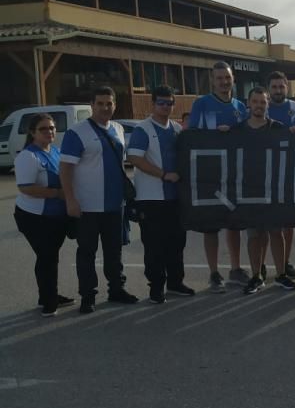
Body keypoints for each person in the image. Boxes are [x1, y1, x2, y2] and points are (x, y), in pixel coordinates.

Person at [60, 86, 137, 314]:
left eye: (109, 103)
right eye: (100, 103)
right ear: (92, 105)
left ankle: (116, 289)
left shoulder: (119, 129)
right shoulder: (77, 132)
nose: (105, 107)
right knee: (87, 253)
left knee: (114, 252)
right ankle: (88, 296)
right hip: (87, 206)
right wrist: (70, 200)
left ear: (115, 105)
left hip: (115, 205)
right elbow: (65, 169)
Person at [126, 86, 194, 305]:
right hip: (151, 199)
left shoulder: (176, 128)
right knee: (154, 245)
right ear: (153, 104)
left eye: (169, 103)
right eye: (161, 103)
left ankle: (175, 282)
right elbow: (136, 159)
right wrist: (163, 174)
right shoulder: (143, 130)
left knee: (177, 242)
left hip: (175, 199)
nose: (165, 106)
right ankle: (156, 287)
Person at [187, 61, 248, 292]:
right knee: (211, 226)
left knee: (234, 224)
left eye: (227, 78)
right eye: (219, 78)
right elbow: (192, 136)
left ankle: (235, 268)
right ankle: (213, 273)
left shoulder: (240, 107)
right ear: (212, 80)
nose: (224, 82)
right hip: (209, 175)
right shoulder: (201, 104)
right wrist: (214, 134)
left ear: (233, 80)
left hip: (233, 175)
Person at [234, 87, 292, 295]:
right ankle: (256, 276)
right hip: (248, 191)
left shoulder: (278, 128)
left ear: (268, 105)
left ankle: (281, 274)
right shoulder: (238, 130)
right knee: (254, 236)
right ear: (248, 103)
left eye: (263, 102)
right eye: (255, 101)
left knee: (277, 233)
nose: (259, 105)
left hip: (273, 190)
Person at [14, 113, 72, 317]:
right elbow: (26, 188)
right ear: (32, 132)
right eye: (43, 129)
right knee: (47, 257)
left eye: (52, 128)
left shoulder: (55, 151)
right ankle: (49, 300)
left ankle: (48, 295)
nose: (49, 132)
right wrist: (58, 193)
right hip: (33, 217)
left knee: (49, 257)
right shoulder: (27, 156)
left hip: (55, 216)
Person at [266, 71, 295, 282]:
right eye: (274, 87)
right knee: (266, 224)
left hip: (291, 172)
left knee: (288, 224)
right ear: (268, 89)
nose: (278, 90)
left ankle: (286, 261)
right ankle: (262, 265)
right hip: (266, 174)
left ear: (287, 87)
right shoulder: (260, 107)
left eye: (281, 87)